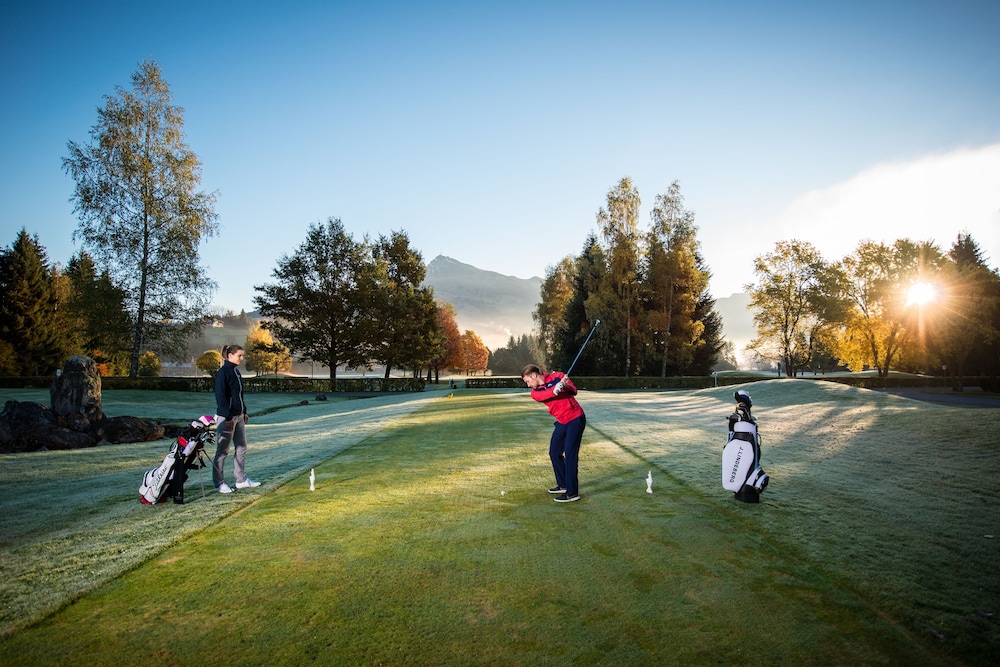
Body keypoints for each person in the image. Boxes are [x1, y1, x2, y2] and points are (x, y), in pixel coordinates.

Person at [521, 364, 586, 503]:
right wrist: (555, 389)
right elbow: (544, 395)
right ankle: (563, 484)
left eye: (528, 381)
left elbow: (574, 391)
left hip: (575, 418)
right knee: (554, 452)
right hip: (562, 421)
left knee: (570, 454)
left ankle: (572, 492)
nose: (528, 385)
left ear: (534, 375)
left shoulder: (558, 376)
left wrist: (564, 386)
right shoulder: (535, 392)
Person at [213, 344, 260, 494]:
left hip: (239, 417)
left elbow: (238, 395)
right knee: (222, 451)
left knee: (241, 447)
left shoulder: (236, 372)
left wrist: (244, 411)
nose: (241, 358)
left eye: (242, 355)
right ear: (230, 355)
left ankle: (241, 480)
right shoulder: (223, 373)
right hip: (227, 418)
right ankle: (219, 484)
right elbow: (221, 397)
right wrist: (227, 416)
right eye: (239, 355)